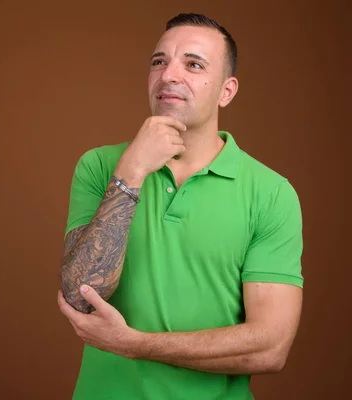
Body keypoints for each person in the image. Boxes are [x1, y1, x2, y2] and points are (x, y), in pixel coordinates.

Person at [57, 12, 304, 400]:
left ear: (227, 90)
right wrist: (131, 173)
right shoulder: (101, 166)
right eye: (159, 61)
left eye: (193, 64)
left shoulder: (272, 193)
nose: (169, 75)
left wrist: (133, 344)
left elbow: (270, 346)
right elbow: (79, 294)